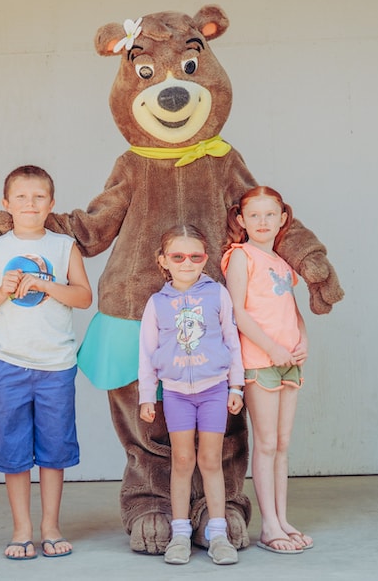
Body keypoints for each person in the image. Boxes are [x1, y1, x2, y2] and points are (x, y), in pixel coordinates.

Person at [0, 164, 93, 561]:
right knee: (14, 449)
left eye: (39, 197)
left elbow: (83, 297)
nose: (30, 203)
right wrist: (0, 293)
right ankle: (22, 527)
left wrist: (44, 284)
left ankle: (50, 526)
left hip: (56, 364)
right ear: (6, 204)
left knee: (54, 450)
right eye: (21, 197)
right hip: (8, 363)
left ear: (51, 204)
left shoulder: (63, 246)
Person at [137, 224, 246, 566]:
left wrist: (236, 386)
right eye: (177, 256)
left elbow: (232, 340)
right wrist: (145, 396)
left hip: (213, 389)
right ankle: (180, 533)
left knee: (211, 461)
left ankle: (218, 533)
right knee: (182, 461)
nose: (187, 262)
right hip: (175, 394)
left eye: (195, 256)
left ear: (206, 259)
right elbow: (146, 352)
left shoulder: (218, 295)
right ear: (163, 261)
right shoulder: (157, 304)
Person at [222, 186, 314, 555]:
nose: (263, 222)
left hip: (289, 360)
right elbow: (239, 312)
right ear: (242, 221)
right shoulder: (241, 256)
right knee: (266, 443)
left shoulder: (283, 263)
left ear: (282, 219)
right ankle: (269, 526)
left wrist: (302, 338)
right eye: (254, 215)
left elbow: (290, 310)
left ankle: (283, 518)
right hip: (261, 362)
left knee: (283, 445)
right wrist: (272, 348)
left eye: (270, 215)